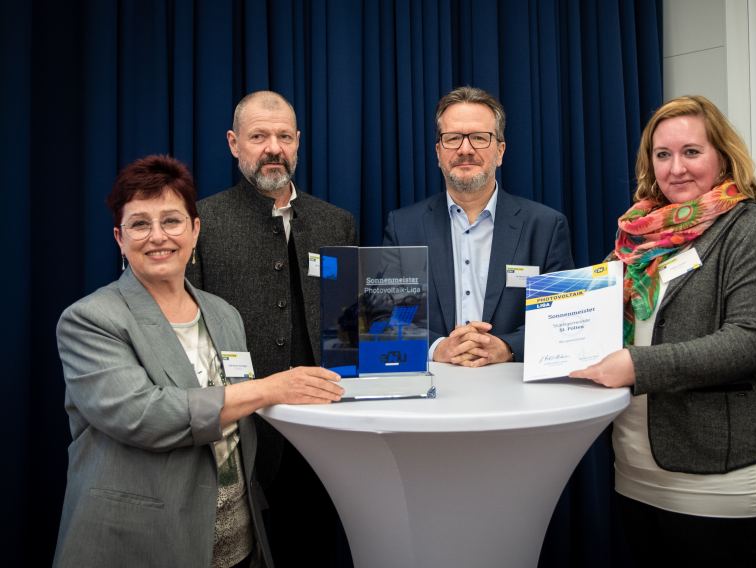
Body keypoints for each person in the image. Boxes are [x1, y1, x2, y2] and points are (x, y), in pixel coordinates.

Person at [54, 155, 343, 568]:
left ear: (195, 230)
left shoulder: (224, 314)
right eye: (140, 224)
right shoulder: (91, 320)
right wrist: (270, 388)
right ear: (120, 238)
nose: (158, 236)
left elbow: (238, 422)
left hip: (239, 543)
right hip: (142, 544)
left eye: (171, 221)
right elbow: (143, 415)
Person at [570, 95, 756, 567]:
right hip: (637, 470)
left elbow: (750, 341)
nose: (676, 168)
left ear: (723, 157)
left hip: (725, 479)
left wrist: (636, 366)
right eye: (663, 154)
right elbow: (597, 321)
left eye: (691, 152)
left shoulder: (752, 229)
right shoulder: (639, 238)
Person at [188, 91, 357, 565]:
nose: (273, 148)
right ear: (233, 143)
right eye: (258, 136)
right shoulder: (202, 222)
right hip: (240, 436)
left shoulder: (337, 223)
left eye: (284, 136)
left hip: (326, 433)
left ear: (298, 141)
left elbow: (354, 327)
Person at [382, 86, 574, 366]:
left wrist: (507, 347)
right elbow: (387, 315)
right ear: (438, 152)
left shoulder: (545, 227)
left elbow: (561, 316)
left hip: (513, 383)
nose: (465, 149)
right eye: (453, 138)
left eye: (479, 138)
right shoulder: (403, 227)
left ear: (500, 151)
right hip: (434, 382)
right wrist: (437, 348)